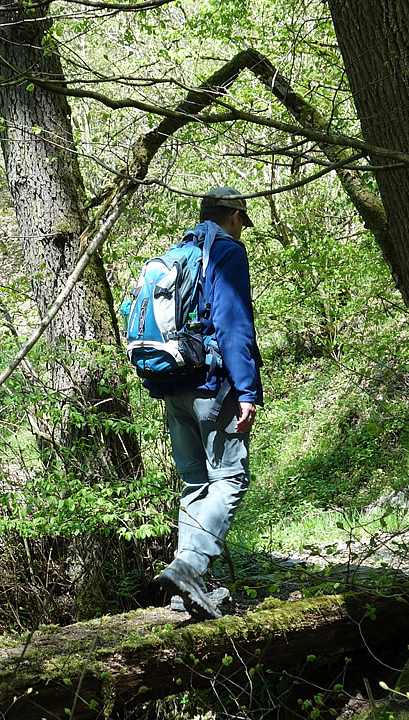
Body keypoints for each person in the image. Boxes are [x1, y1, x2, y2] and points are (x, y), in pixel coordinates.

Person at [150, 186, 264, 620]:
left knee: (195, 485)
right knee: (230, 480)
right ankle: (191, 568)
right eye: (241, 222)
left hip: (173, 384)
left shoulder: (179, 252)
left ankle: (183, 593)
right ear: (233, 216)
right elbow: (234, 324)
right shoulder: (226, 252)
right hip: (213, 390)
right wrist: (247, 391)